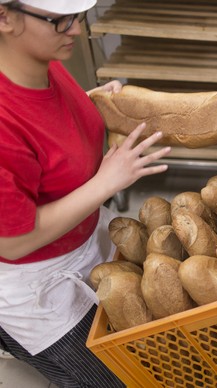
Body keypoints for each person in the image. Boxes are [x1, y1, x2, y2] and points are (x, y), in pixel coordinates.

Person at [0, 0, 172, 386]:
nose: (76, 29)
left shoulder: (41, 63)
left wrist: (92, 105)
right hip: (37, 283)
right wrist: (105, 183)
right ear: (4, 17)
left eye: (77, 16)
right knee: (125, 380)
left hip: (85, 237)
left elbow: (44, 129)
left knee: (161, 350)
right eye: (59, 20)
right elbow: (11, 243)